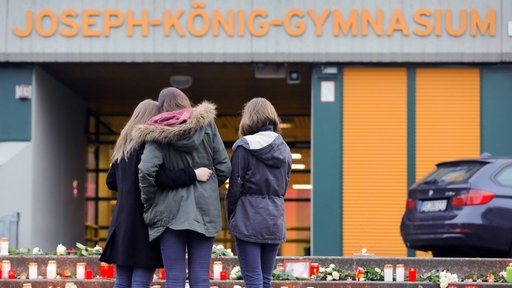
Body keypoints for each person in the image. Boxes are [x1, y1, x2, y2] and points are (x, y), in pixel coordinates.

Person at [100, 99, 213, 288]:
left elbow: (110, 181)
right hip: (144, 220)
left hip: (121, 223)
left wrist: (128, 187)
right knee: (141, 280)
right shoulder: (149, 144)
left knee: (122, 280)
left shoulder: (123, 147)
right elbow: (159, 177)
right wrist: (193, 173)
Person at [136, 87, 231, 288]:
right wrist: (208, 188)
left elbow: (145, 170)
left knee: (175, 278)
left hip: (169, 212)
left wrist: (150, 201)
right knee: (199, 278)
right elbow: (224, 166)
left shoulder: (157, 132)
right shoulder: (207, 126)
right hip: (204, 211)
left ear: (161, 108)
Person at [224, 97, 292, 288]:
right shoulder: (284, 148)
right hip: (274, 219)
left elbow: (234, 188)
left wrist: (233, 217)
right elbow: (284, 187)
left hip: (248, 219)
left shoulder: (243, 147)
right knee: (265, 280)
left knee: (253, 280)